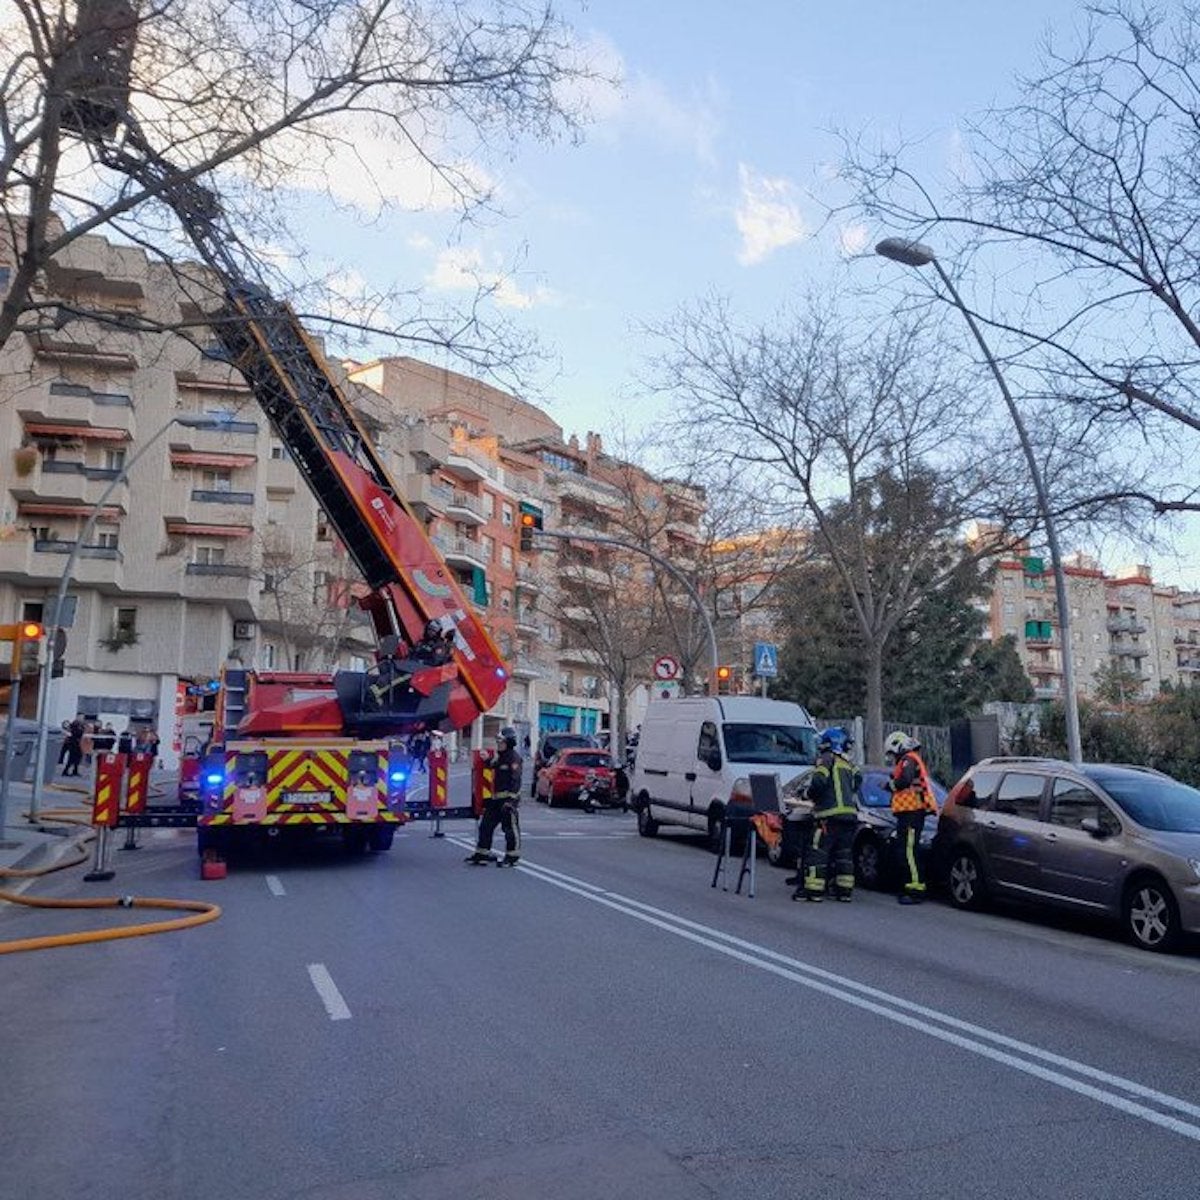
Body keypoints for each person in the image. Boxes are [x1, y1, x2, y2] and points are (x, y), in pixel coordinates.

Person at [795, 727, 861, 903]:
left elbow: (818, 783)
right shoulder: (848, 764)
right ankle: (843, 891)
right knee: (844, 854)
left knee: (818, 852)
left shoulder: (826, 760)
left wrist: (808, 794)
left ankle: (814, 891)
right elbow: (859, 780)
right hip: (849, 816)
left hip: (828, 816)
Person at [885, 731, 939, 905]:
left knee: (909, 851)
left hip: (912, 812)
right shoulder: (912, 759)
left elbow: (905, 781)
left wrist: (889, 785)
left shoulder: (908, 759)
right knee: (908, 850)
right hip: (911, 812)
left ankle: (915, 889)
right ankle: (910, 886)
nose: (893, 758)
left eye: (893, 754)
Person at [465, 725, 523, 867]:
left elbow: (515, 781)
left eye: (501, 742)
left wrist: (511, 801)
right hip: (496, 799)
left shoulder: (514, 759)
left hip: (507, 801)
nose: (499, 744)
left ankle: (512, 857)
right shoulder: (501, 758)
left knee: (509, 828)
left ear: (509, 743)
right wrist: (485, 759)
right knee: (486, 826)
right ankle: (482, 854)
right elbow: (492, 764)